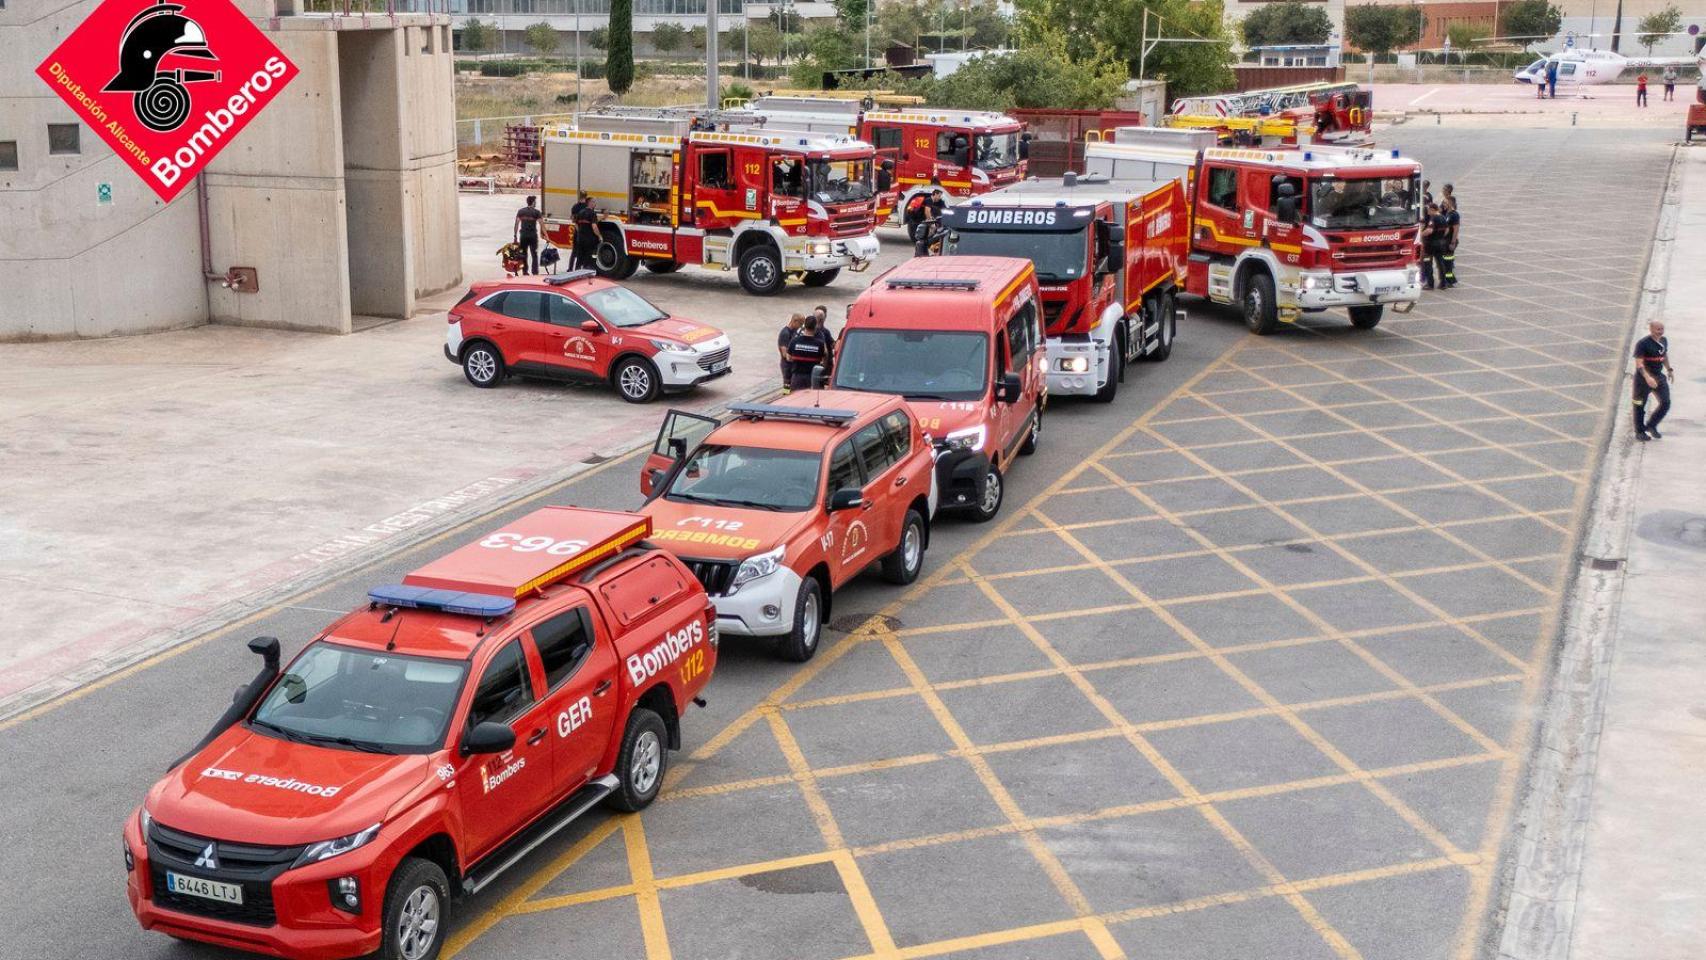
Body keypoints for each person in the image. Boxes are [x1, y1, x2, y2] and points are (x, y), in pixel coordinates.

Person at [1632, 320, 1673, 441]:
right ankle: (1639, 431)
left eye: (1662, 329)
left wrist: (1669, 369)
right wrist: (1647, 377)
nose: (1660, 331)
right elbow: (1639, 364)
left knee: (1665, 403)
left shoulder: (1664, 340)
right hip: (1643, 380)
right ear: (1651, 329)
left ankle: (1651, 425)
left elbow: (1664, 356)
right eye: (1658, 329)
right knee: (1639, 405)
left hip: (1659, 377)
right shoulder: (1642, 344)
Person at [786, 314, 831, 391]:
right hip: (813, 379)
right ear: (815, 326)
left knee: (795, 399)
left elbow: (788, 358)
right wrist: (823, 366)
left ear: (804, 326)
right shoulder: (820, 344)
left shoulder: (794, 341)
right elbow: (826, 355)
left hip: (797, 378)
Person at [514, 195, 543, 275]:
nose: (536, 203)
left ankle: (525, 272)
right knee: (534, 255)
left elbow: (516, 224)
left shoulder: (521, 211)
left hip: (523, 236)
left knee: (524, 254)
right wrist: (547, 236)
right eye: (535, 202)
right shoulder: (537, 212)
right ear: (533, 202)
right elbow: (542, 225)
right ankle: (535, 272)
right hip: (533, 236)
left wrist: (515, 236)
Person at [777, 313, 805, 394]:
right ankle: (785, 397)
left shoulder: (795, 332)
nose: (801, 326)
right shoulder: (785, 333)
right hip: (787, 366)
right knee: (787, 385)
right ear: (794, 321)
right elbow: (784, 353)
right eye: (800, 323)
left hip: (792, 365)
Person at [1437, 197, 1459, 288]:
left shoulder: (1454, 215)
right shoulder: (1446, 213)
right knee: (1444, 262)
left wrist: (1453, 242)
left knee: (1448, 262)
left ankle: (1449, 281)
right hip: (1444, 241)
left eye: (1445, 202)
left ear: (1450, 203)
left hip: (1450, 241)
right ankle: (1449, 280)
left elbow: (1455, 229)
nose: (1443, 204)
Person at [571, 207, 599, 272]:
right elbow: (594, 226)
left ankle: (576, 271)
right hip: (588, 238)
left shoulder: (580, 212)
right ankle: (585, 270)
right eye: (594, 202)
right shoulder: (592, 213)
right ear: (590, 203)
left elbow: (575, 224)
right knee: (588, 255)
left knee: (579, 256)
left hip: (580, 238)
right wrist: (599, 236)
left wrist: (579, 232)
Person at [1419, 202, 1440, 290]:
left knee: (1427, 264)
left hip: (1427, 246)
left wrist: (1420, 235)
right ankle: (1430, 281)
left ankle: (1429, 283)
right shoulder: (1437, 218)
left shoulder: (1429, 220)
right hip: (1434, 244)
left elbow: (1427, 231)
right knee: (1432, 264)